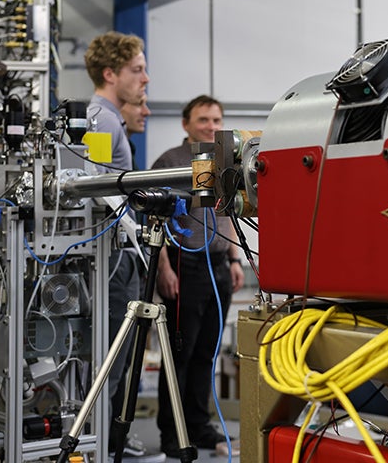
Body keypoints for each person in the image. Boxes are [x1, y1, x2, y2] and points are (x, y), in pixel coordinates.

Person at [83, 31, 164, 463]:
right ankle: (98, 445)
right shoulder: (102, 118)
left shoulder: (106, 118)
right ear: (111, 73)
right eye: (137, 69)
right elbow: (95, 187)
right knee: (109, 361)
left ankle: (104, 441)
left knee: (116, 359)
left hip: (118, 252)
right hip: (111, 258)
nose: (145, 79)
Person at [152, 95, 245, 457]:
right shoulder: (170, 162)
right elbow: (153, 219)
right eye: (203, 119)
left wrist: (235, 260)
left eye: (216, 119)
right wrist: (164, 269)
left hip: (219, 264)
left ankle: (200, 427)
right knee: (180, 354)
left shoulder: (223, 161)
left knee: (207, 352)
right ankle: (171, 434)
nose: (210, 126)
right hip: (184, 265)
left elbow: (230, 215)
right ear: (186, 124)